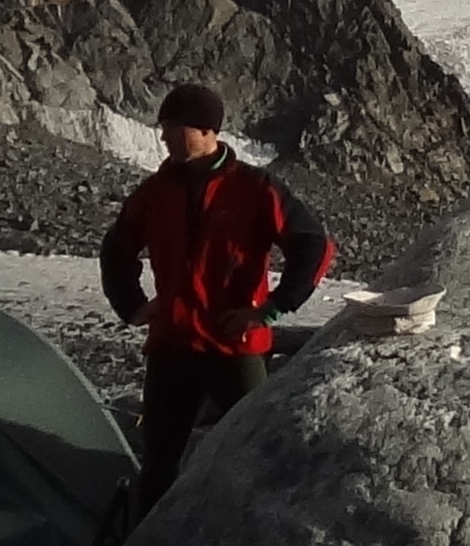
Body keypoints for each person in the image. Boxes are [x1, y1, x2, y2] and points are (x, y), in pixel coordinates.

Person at [100, 81, 334, 508]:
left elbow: (314, 244)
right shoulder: (154, 192)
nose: (165, 136)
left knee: (254, 456)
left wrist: (272, 309)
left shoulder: (254, 187)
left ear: (207, 131)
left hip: (236, 348)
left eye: (175, 127)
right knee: (157, 466)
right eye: (164, 127)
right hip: (172, 346)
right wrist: (131, 305)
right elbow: (117, 248)